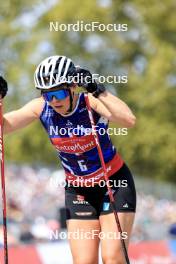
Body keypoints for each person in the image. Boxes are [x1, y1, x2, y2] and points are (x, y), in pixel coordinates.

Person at [0, 55, 136, 264]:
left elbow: (128, 120)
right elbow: (4, 127)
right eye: (48, 95)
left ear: (73, 87)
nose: (54, 101)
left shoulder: (89, 101)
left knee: (113, 258)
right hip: (79, 190)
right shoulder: (41, 107)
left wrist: (96, 88)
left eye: (59, 93)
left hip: (114, 185)